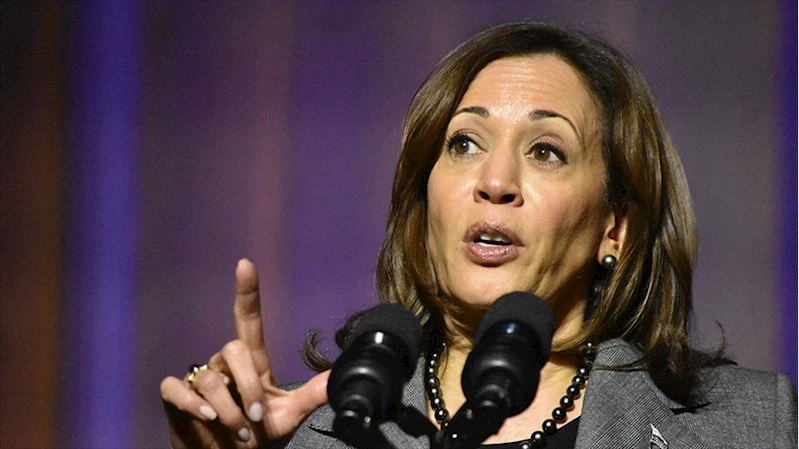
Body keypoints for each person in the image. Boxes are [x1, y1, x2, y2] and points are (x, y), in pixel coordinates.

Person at [160, 21, 797, 449]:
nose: (495, 181)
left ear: (615, 229)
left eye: (546, 151)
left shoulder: (748, 427)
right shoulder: (321, 432)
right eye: (464, 143)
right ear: (424, 204)